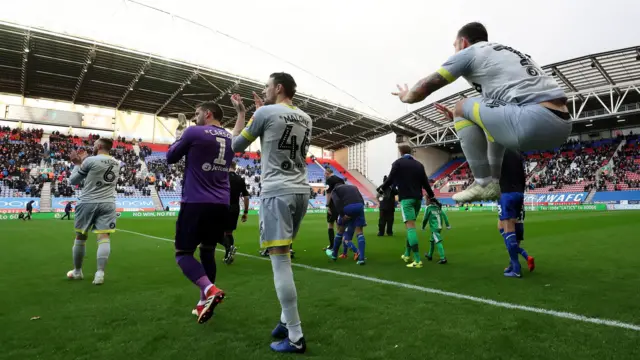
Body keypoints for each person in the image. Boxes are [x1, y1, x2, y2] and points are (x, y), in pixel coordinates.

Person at [392, 22, 571, 203]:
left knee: (461, 106)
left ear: (463, 42)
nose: (455, 50)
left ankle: (483, 182)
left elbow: (423, 89)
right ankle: (493, 182)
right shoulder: (507, 52)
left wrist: (406, 97)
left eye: (455, 46)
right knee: (480, 115)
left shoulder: (470, 52)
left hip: (531, 120)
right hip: (562, 124)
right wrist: (460, 116)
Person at [230, 72, 310, 353]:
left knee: (280, 260)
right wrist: (258, 114)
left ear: (278, 87)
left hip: (277, 190)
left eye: (266, 85)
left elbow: (235, 146)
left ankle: (296, 336)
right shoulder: (305, 116)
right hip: (301, 190)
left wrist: (243, 114)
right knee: (285, 253)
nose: (263, 90)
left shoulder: (265, 111)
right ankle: (285, 321)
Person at [167, 101, 234, 324]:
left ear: (208, 113)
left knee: (183, 254)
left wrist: (179, 133)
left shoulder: (194, 131)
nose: (195, 117)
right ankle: (202, 303)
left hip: (196, 202)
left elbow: (170, 157)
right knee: (208, 251)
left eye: (197, 113)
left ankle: (210, 289)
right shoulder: (229, 136)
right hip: (221, 204)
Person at [65, 139, 120, 285]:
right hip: (108, 202)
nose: (93, 147)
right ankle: (100, 273)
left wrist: (77, 164)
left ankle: (77, 272)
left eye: (95, 145)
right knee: (104, 237)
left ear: (100, 146)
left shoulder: (90, 160)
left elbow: (73, 180)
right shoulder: (117, 162)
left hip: (88, 202)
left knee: (80, 237)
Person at [377, 144, 439, 268]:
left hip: (406, 199)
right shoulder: (419, 165)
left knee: (410, 227)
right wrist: (432, 196)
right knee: (409, 226)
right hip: (417, 199)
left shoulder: (398, 163)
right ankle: (406, 254)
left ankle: (417, 260)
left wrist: (381, 188)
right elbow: (426, 184)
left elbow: (390, 179)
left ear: (400, 152)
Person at [498, 150, 535, 278]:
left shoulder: (499, 151)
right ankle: (513, 263)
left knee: (508, 230)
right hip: (519, 193)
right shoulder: (518, 154)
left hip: (507, 193)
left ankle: (516, 268)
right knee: (502, 227)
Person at [325, 183, 367, 265]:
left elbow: (337, 202)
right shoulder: (353, 186)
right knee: (359, 232)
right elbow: (361, 199)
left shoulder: (335, 190)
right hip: (359, 206)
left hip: (348, 207)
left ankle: (334, 254)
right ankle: (361, 258)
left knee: (340, 231)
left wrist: (342, 215)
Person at [223, 161, 249, 265]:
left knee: (219, 232)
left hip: (223, 206)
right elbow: (246, 197)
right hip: (235, 208)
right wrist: (245, 212)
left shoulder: (223, 177)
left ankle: (229, 249)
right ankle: (227, 255)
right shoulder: (240, 179)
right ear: (235, 167)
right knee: (229, 232)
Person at [421, 197, 451, 264]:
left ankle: (443, 258)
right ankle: (430, 255)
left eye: (425, 200)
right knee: (432, 241)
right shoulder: (438, 207)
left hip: (434, 228)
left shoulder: (428, 208)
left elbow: (425, 219)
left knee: (438, 241)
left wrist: (423, 227)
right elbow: (444, 216)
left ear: (429, 200)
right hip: (439, 227)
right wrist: (447, 225)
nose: (425, 201)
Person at [324, 167, 345, 250]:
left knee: (330, 224)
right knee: (339, 226)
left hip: (333, 204)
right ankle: (345, 244)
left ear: (327, 173)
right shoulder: (341, 179)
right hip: (341, 204)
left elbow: (329, 194)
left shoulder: (329, 180)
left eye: (325, 174)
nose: (324, 175)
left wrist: (328, 205)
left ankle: (332, 246)